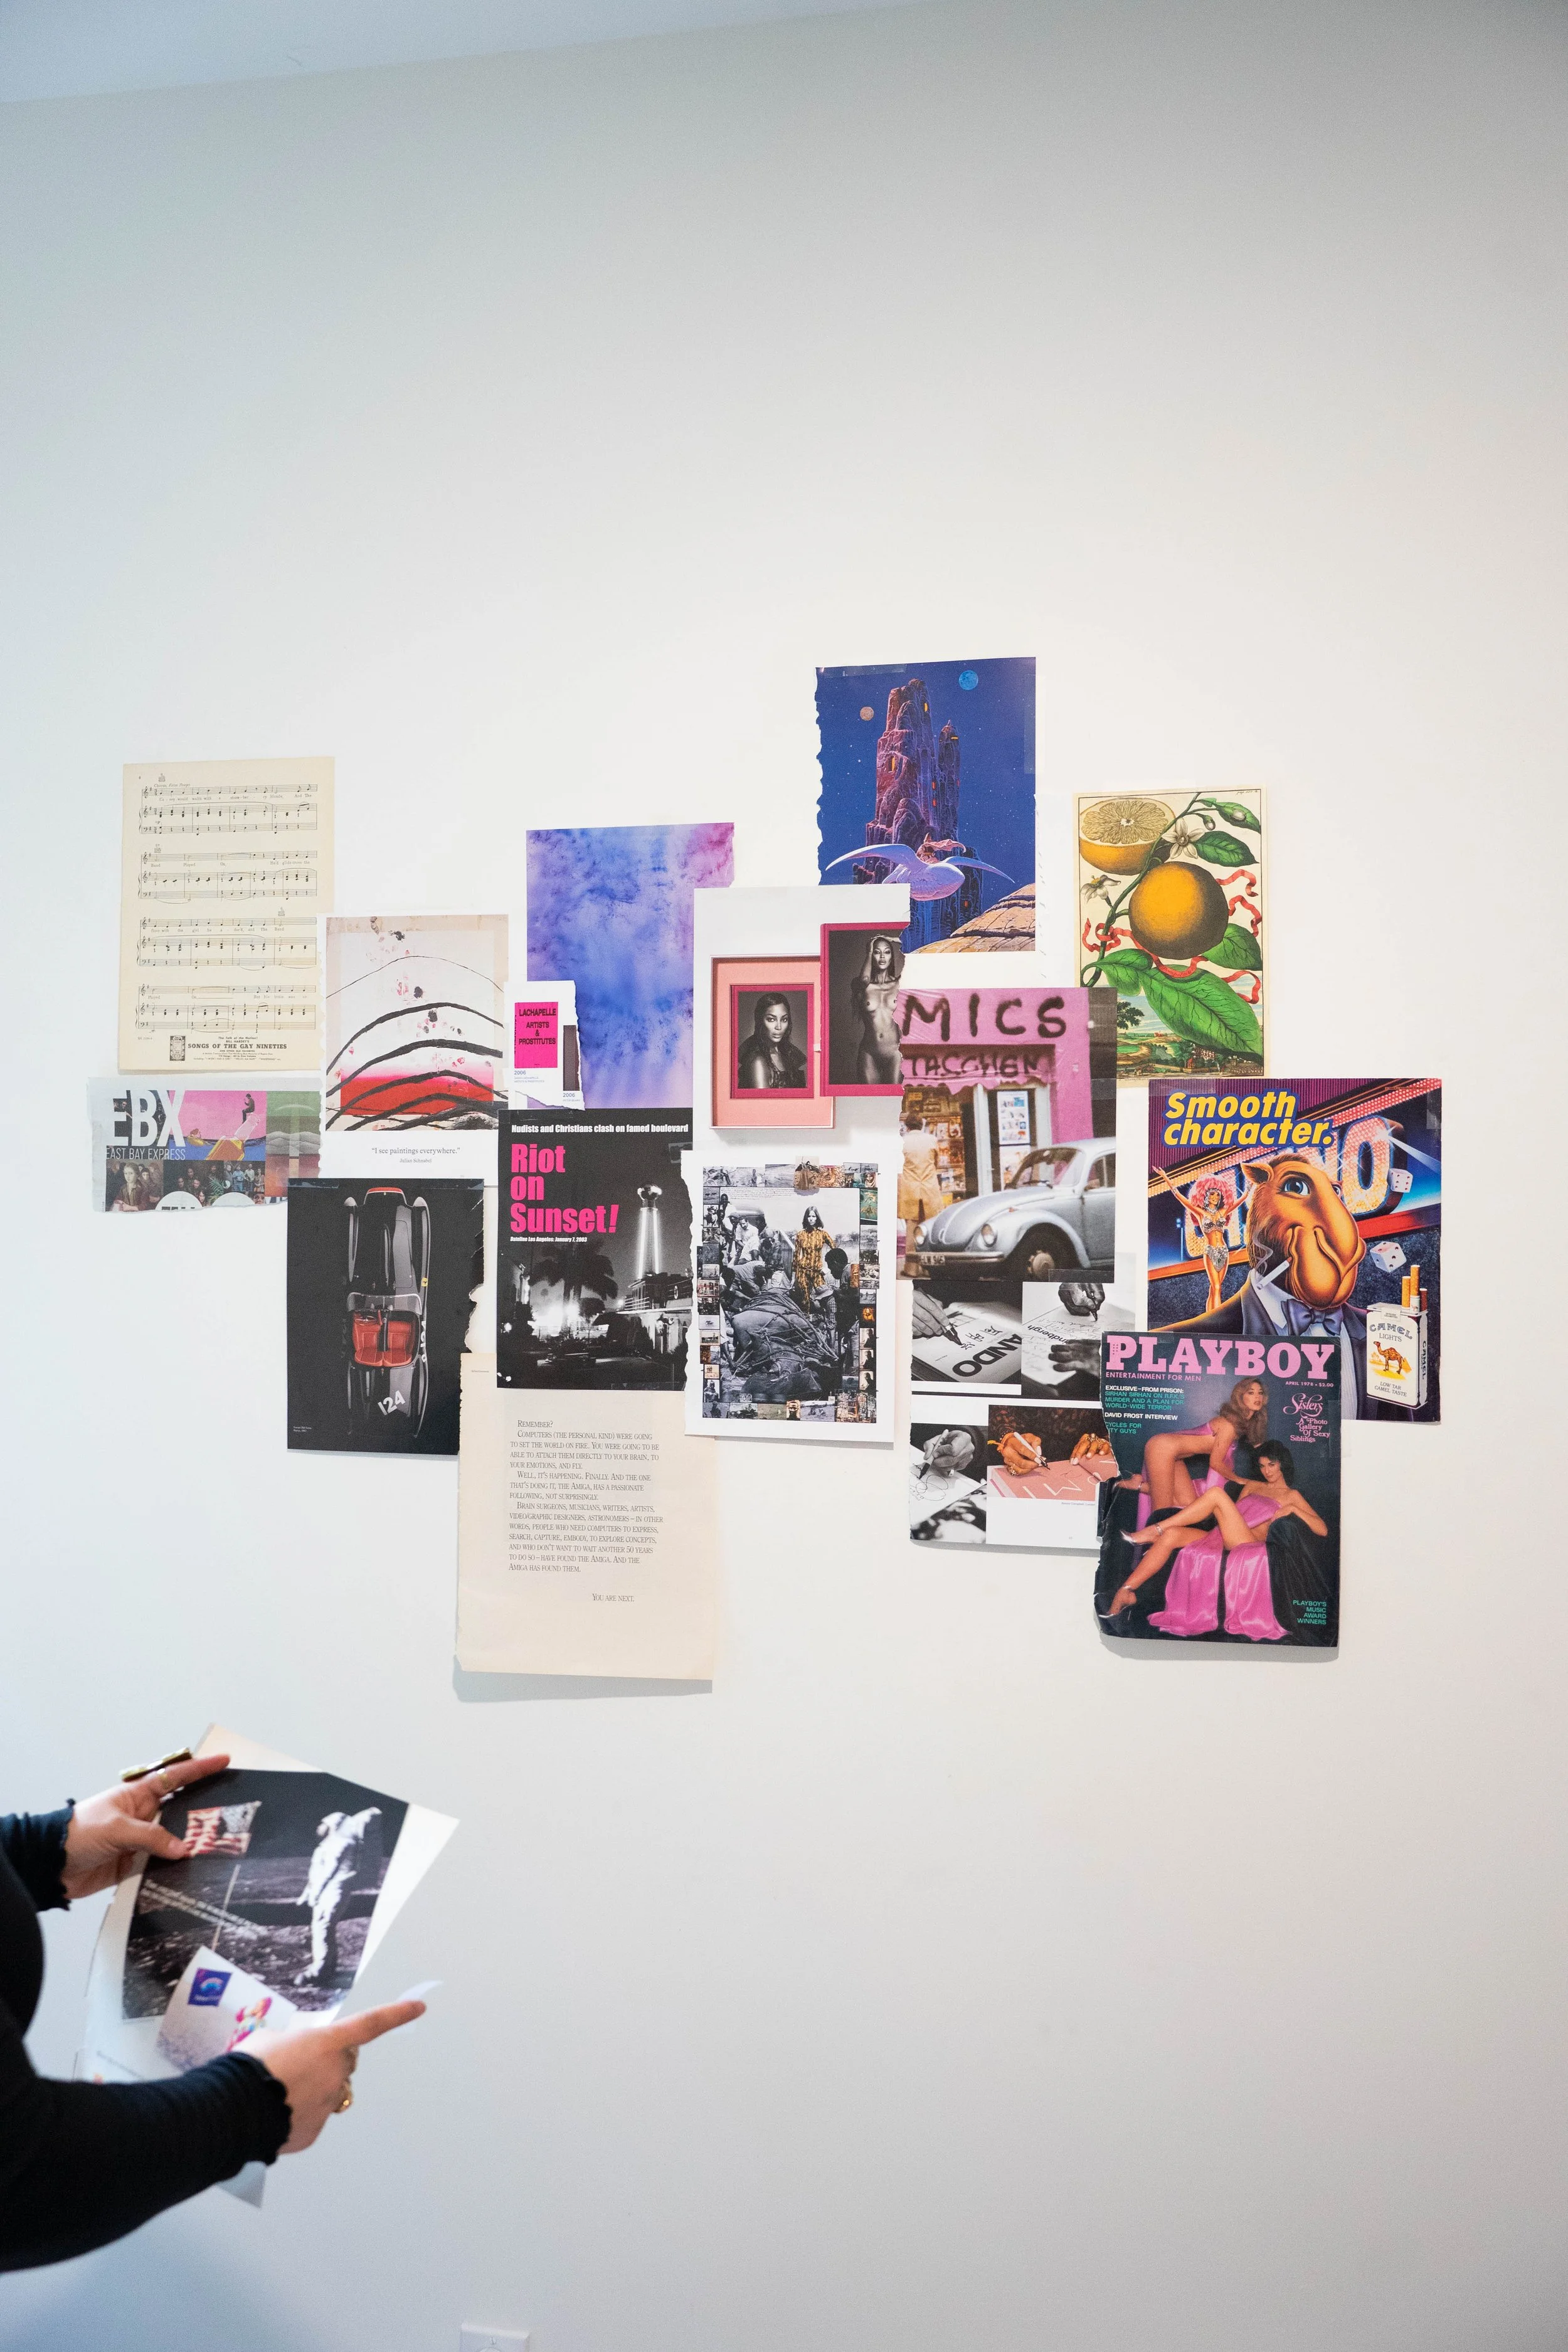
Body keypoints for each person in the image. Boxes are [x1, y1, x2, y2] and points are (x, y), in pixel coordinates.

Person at [0, 1751, 423, 2272]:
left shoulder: (350, 1836)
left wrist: (32, 1850)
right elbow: (19, 2178)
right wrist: (248, 2107)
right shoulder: (338, 1839)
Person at [1101, 1439, 1327, 1618]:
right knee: (1172, 1535)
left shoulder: (1292, 1496)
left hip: (1248, 1543)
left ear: (1282, 1464)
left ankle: (1155, 1530)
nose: (1267, 1471)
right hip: (1224, 1534)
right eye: (1262, 1466)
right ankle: (1127, 1592)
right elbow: (1233, 1513)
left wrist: (1293, 1510)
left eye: (1272, 1465)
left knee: (1217, 1495)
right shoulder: (1252, 1485)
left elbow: (1322, 1530)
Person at [1118, 1377, 1267, 1510]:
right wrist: (1240, 1480)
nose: (1257, 1397)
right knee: (1162, 1511)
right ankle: (1140, 1490)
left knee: (1187, 1504)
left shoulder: (1242, 1424)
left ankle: (1138, 1485)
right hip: (1162, 1448)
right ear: (1240, 1397)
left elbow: (1260, 1449)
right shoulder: (1229, 1425)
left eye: (1260, 1393)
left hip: (1175, 1456)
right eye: (1251, 1393)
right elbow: (1216, 1462)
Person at [294, 1807, 383, 1989]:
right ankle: (327, 1967)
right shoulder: (333, 1844)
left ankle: (318, 1971)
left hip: (333, 1892)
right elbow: (317, 1873)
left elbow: (329, 1872)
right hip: (330, 1891)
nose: (320, 1827)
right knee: (324, 1929)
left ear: (334, 1825)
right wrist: (307, 1892)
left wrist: (316, 1894)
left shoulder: (342, 1844)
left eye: (325, 1824)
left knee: (323, 1929)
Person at [1170, 1177, 1234, 1314]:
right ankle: (1217, 1319)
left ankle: (1208, 1317)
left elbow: (1241, 1200)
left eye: (1218, 1195)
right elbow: (1180, 1197)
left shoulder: (1222, 1212)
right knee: (1216, 1287)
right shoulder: (1201, 1213)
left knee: (1215, 1288)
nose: (1216, 1197)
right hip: (1210, 1251)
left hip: (1224, 1251)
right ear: (1206, 1196)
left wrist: (1249, 1189)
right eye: (1213, 1194)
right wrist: (1166, 1178)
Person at [850, 934, 903, 1085]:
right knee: (868, 1096)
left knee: (895, 1097)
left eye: (887, 952)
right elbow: (865, 980)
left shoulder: (900, 984)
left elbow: (919, 954)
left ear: (892, 956)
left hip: (895, 1052)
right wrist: (868, 952)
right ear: (872, 956)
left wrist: (893, 940)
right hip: (869, 1053)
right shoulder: (864, 986)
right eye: (877, 952)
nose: (882, 957)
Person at [735, 994, 807, 1091]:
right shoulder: (758, 1062)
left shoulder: (788, 1053)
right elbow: (763, 1100)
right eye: (771, 1019)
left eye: (784, 1020)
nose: (779, 1027)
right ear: (760, 1021)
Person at [898, 1116, 944, 1226]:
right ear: (922, 1125)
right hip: (930, 1189)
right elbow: (936, 1163)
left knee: (912, 1228)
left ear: (907, 1127)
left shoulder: (902, 1142)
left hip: (910, 1191)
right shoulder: (932, 1140)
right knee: (931, 1227)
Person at [792, 1205, 829, 1310]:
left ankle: (826, 1318)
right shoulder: (800, 1235)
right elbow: (796, 1255)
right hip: (803, 1271)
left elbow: (835, 1251)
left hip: (818, 1272)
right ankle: (806, 1317)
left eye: (814, 1216)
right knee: (805, 1300)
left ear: (817, 1218)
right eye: (809, 1216)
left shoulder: (823, 1234)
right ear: (806, 1218)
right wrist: (795, 1275)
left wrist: (827, 1267)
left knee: (825, 1296)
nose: (811, 1219)